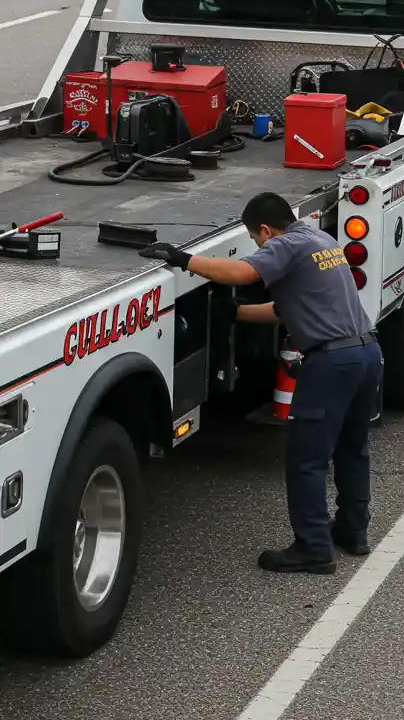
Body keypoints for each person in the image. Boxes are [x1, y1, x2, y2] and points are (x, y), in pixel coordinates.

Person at [140, 192, 382, 575]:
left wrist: (183, 259)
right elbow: (285, 309)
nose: (257, 247)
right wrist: (236, 313)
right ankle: (353, 531)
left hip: (332, 362)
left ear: (266, 230)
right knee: (352, 450)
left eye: (255, 240)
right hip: (366, 353)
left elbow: (243, 273)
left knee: (307, 459)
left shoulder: (285, 244)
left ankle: (314, 548)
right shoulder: (323, 242)